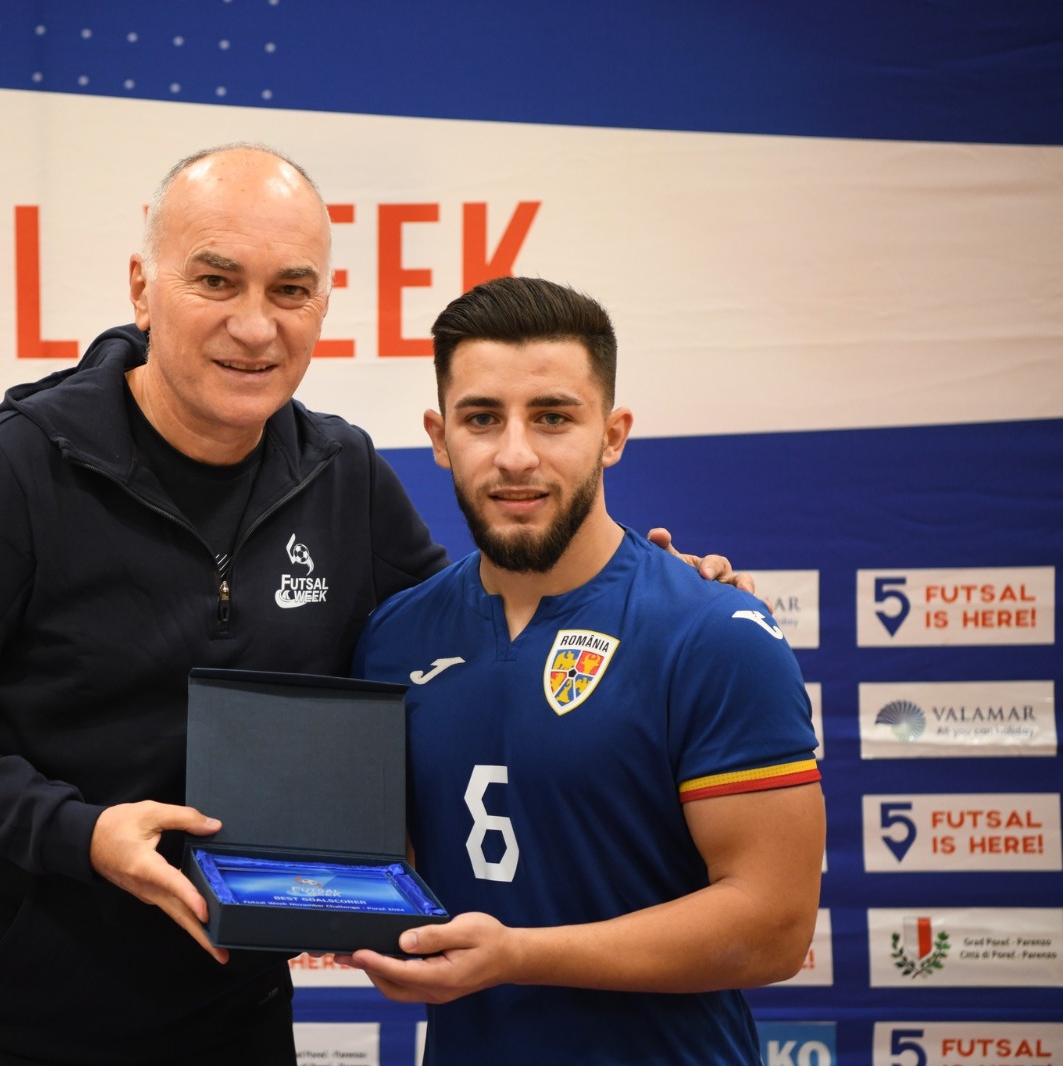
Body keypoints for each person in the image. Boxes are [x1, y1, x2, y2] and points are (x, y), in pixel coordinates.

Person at [0, 146, 747, 1065]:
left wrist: (652, 587)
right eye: (216, 280)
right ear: (143, 289)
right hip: (6, 1022)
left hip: (236, 1014)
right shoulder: (16, 467)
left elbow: (463, 631)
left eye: (290, 290)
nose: (254, 326)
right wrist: (82, 833)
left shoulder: (342, 474)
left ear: (322, 305)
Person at [346, 276, 825, 1064]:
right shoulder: (393, 637)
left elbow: (775, 926)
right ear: (439, 436)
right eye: (481, 418)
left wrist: (519, 955)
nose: (515, 455)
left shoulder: (713, 631)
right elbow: (371, 866)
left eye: (553, 417)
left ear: (612, 433)